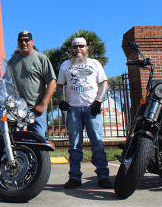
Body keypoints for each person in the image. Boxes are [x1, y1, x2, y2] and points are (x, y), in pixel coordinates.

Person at [56, 37, 112, 189]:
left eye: (81, 46)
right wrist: (60, 100)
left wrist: (99, 101)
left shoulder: (94, 64)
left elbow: (104, 83)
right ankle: (74, 177)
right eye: (75, 47)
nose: (78, 49)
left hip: (91, 108)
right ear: (71, 49)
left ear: (87, 48)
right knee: (74, 145)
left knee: (97, 143)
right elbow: (59, 85)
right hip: (73, 109)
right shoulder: (65, 65)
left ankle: (103, 176)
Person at [8, 31, 57, 138]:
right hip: (17, 111)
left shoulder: (41, 58)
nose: (24, 43)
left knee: (38, 141)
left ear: (32, 41)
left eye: (26, 40)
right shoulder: (12, 61)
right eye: (21, 40)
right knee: (17, 141)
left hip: (36, 110)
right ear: (18, 42)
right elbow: (6, 82)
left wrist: (43, 104)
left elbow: (52, 82)